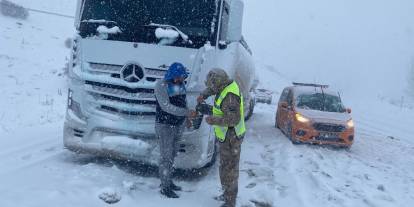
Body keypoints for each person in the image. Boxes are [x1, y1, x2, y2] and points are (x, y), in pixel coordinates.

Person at [195, 68, 246, 207]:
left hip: (232, 137)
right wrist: (203, 95)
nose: (211, 88)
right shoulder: (224, 85)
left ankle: (230, 202)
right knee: (224, 167)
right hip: (226, 135)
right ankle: (226, 194)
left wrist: (213, 120)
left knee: (230, 170)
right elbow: (213, 89)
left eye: (212, 85)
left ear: (218, 83)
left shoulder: (230, 95)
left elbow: (233, 119)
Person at [154, 62, 192, 198]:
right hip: (165, 125)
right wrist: (186, 113)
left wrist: (186, 118)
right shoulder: (161, 85)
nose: (181, 80)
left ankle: (168, 181)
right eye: (179, 77)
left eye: (182, 77)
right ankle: (165, 187)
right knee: (166, 156)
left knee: (173, 154)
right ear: (172, 75)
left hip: (178, 125)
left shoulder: (181, 84)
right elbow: (166, 107)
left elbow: (183, 101)